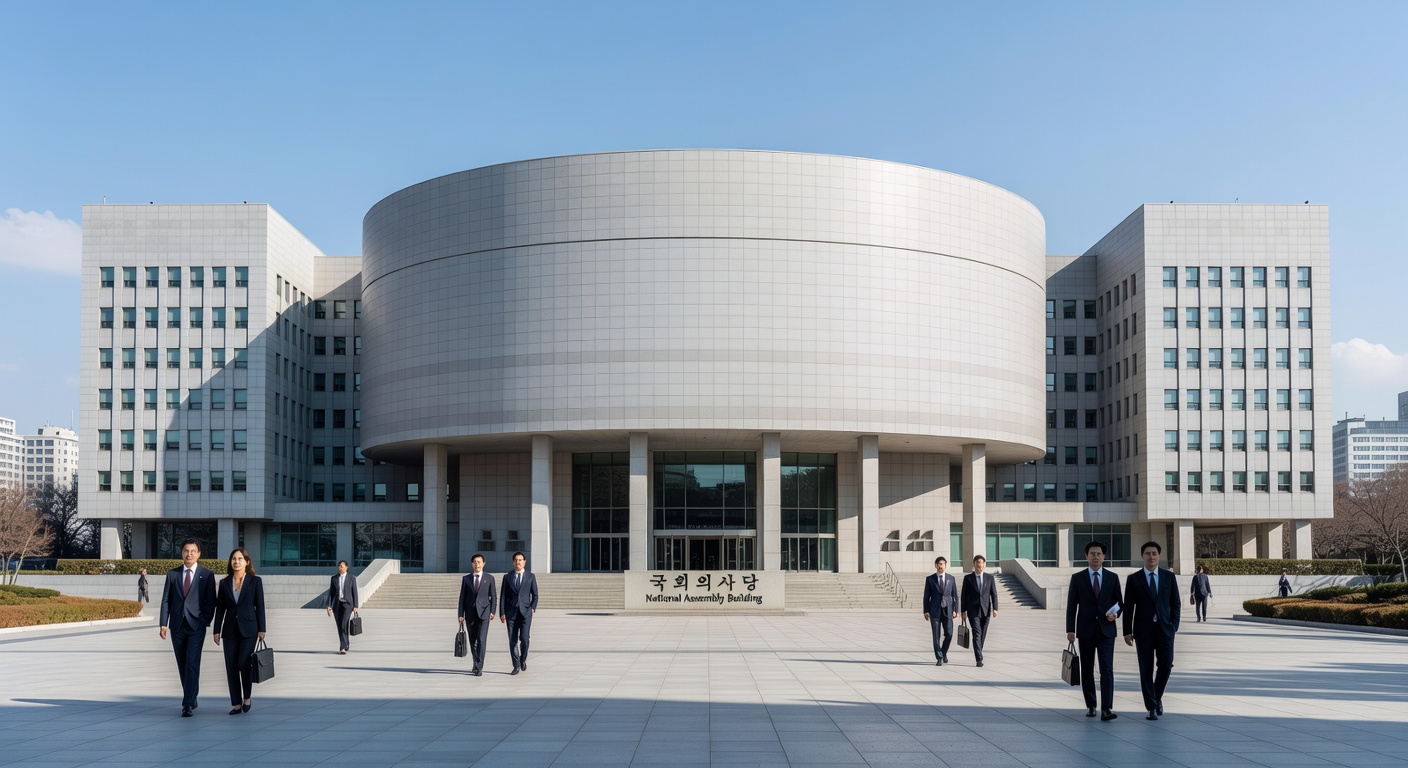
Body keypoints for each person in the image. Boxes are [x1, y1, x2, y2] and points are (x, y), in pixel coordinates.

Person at [158, 539, 216, 717]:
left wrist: (204, 621)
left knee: (192, 662)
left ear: (199, 553)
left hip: (196, 626)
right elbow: (166, 599)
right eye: (186, 551)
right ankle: (192, 695)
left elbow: (211, 601)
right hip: (177, 626)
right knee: (182, 664)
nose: (189, 554)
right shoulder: (172, 574)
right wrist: (163, 623)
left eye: (193, 551)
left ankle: (188, 703)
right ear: (182, 553)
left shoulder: (206, 575)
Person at [1065, 540, 1122, 722]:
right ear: (1086, 556)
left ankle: (1106, 708)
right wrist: (1070, 629)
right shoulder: (1078, 578)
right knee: (1087, 669)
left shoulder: (1112, 577)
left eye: (1099, 554)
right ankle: (1091, 705)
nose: (1096, 557)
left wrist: (1116, 613)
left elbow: (1119, 602)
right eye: (1092, 554)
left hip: (1107, 631)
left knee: (1107, 669)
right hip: (1086, 630)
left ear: (1103, 556)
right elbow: (1071, 606)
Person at [1123, 541, 1180, 721]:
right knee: (1146, 669)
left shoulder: (1169, 577)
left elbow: (1175, 603)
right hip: (1143, 631)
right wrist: (1127, 631)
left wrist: (1174, 626)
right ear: (1142, 556)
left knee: (1166, 665)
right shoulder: (1134, 579)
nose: (1151, 556)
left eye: (1154, 553)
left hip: (1165, 630)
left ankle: (1156, 696)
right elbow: (1128, 607)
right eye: (1148, 553)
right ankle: (1151, 707)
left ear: (1159, 556)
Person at [211, 548, 266, 716]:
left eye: (240, 559)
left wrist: (262, 628)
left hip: (249, 629)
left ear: (247, 562)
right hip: (229, 630)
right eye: (234, 559)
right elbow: (220, 608)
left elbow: (260, 605)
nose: (236, 562)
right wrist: (216, 630)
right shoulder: (224, 582)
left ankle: (247, 697)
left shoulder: (255, 581)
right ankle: (236, 702)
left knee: (244, 663)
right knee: (231, 666)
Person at [499, 551, 538, 674]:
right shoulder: (507, 577)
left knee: (525, 639)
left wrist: (532, 608)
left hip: (526, 613)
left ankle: (522, 659)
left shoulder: (530, 577)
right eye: (516, 560)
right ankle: (516, 665)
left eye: (520, 560)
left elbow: (535, 595)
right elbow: (503, 596)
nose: (518, 562)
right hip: (511, 613)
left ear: (524, 562)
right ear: (513, 562)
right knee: (512, 640)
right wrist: (502, 612)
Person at [458, 553, 497, 676]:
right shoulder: (466, 579)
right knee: (472, 640)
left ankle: (479, 666)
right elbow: (462, 598)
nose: (477, 564)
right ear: (472, 564)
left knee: (481, 639)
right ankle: (475, 663)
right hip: (470, 614)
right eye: (475, 562)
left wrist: (493, 611)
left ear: (483, 563)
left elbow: (494, 597)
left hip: (484, 613)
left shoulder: (489, 578)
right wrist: (460, 613)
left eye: (479, 562)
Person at [960, 554, 998, 667]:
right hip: (973, 611)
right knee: (977, 633)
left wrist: (995, 608)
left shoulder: (989, 578)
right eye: (977, 563)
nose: (979, 565)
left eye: (981, 563)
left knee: (982, 634)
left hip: (986, 611)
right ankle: (979, 659)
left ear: (984, 564)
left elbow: (994, 594)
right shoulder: (968, 578)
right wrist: (963, 610)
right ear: (974, 564)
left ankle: (978, 651)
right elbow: (964, 595)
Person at [922, 556, 958, 666]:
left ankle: (943, 652)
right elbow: (926, 596)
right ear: (936, 566)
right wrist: (926, 611)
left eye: (942, 564)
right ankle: (939, 657)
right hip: (935, 611)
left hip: (948, 610)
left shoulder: (951, 578)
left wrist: (956, 609)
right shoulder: (930, 579)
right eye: (938, 564)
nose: (940, 566)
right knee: (936, 636)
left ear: (945, 565)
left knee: (949, 634)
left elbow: (955, 595)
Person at [324, 560, 359, 654]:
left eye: (342, 566)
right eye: (339, 566)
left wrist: (355, 606)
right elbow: (331, 593)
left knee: (343, 624)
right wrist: (329, 605)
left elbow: (354, 592)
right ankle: (346, 643)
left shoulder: (352, 578)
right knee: (340, 626)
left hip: (347, 605)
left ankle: (342, 647)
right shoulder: (334, 578)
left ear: (346, 567)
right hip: (337, 605)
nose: (340, 568)